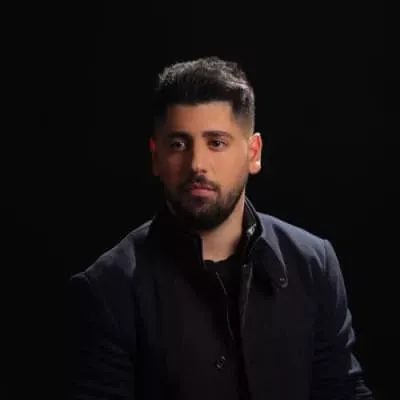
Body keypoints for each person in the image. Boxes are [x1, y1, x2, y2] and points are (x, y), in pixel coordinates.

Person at [65, 56, 374, 399]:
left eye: (216, 143)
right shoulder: (108, 290)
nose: (197, 164)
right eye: (178, 144)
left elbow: (342, 391)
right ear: (156, 156)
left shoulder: (313, 263)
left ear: (253, 153)